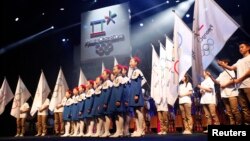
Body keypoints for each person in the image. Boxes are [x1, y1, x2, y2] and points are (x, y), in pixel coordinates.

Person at [217, 41, 250, 124]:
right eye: (239, 48)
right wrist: (222, 65)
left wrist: (240, 79)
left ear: (248, 48)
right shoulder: (239, 60)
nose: (240, 49)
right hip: (240, 87)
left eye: (242, 47)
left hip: (248, 85)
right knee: (244, 107)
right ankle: (247, 123)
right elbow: (231, 68)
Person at [209, 59, 242, 125]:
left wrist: (224, 85)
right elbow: (217, 82)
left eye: (222, 62)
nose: (221, 64)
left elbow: (233, 80)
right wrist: (210, 76)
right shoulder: (221, 74)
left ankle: (239, 123)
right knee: (229, 111)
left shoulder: (231, 70)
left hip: (232, 93)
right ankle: (232, 123)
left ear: (226, 63)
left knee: (235, 110)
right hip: (224, 94)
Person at [128, 56, 146, 137]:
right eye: (130, 61)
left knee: (138, 111)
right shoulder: (133, 72)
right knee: (135, 113)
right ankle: (138, 129)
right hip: (132, 94)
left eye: (131, 61)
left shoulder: (137, 71)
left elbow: (138, 84)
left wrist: (136, 95)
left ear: (136, 63)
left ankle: (141, 130)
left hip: (136, 94)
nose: (130, 63)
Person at [109, 64, 125, 137]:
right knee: (116, 115)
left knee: (120, 114)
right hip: (114, 100)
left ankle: (121, 131)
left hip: (119, 100)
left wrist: (118, 100)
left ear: (119, 70)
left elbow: (120, 89)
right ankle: (117, 131)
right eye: (113, 69)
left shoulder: (120, 78)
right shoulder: (116, 79)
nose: (113, 70)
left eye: (115, 69)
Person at [100, 69, 113, 137]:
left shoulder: (108, 82)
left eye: (103, 74)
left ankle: (107, 131)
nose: (102, 75)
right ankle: (105, 131)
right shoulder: (104, 83)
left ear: (108, 75)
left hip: (107, 102)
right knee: (105, 116)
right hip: (104, 102)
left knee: (107, 116)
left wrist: (105, 103)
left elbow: (108, 94)